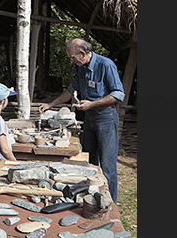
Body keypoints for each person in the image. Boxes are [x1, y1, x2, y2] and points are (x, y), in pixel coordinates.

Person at [38, 38, 125, 203]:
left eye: (72, 57)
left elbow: (118, 94)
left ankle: (110, 203)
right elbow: (71, 91)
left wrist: (92, 104)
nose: (72, 61)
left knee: (107, 166)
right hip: (90, 119)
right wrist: (50, 104)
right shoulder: (82, 69)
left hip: (106, 118)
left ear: (83, 53)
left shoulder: (105, 65)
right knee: (90, 161)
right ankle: (91, 199)